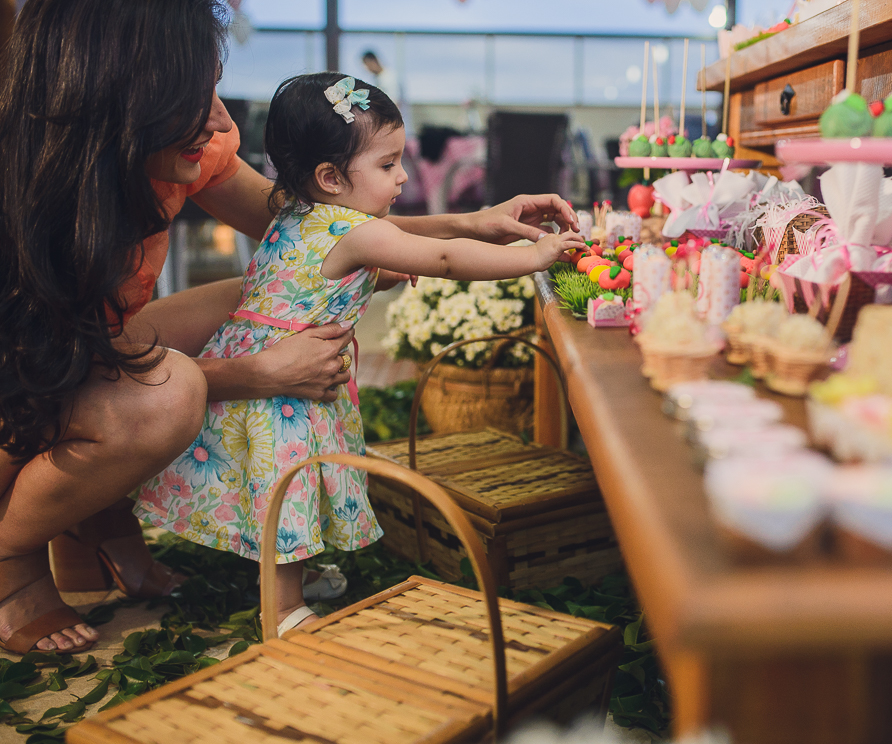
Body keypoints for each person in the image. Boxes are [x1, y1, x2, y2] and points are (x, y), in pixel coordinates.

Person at [0, 0, 577, 654]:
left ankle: (97, 525)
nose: (218, 122)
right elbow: (35, 371)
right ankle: (12, 560)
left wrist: (470, 221)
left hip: (89, 349)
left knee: (269, 290)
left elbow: (317, 229)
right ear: (116, 95)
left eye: (216, 90)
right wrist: (254, 374)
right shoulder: (27, 207)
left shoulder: (197, 150)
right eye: (195, 96)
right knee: (170, 393)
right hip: (24, 376)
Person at [134, 73, 583, 634]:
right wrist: (534, 255)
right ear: (330, 176)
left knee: (289, 482)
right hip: (285, 386)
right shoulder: (353, 229)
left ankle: (299, 580)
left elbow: (345, 265)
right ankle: (283, 609)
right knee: (291, 482)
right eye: (388, 165)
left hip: (269, 366)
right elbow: (442, 258)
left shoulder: (298, 212)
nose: (401, 178)